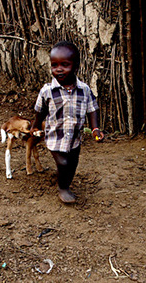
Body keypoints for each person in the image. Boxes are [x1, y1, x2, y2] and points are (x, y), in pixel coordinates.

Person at [32, 41, 103, 204]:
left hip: (75, 138)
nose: (58, 69)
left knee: (72, 163)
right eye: (54, 65)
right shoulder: (47, 91)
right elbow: (40, 111)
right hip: (54, 136)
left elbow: (92, 109)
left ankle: (66, 181)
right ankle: (63, 188)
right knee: (63, 162)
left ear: (76, 66)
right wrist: (35, 125)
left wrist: (95, 129)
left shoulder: (84, 89)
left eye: (64, 65)